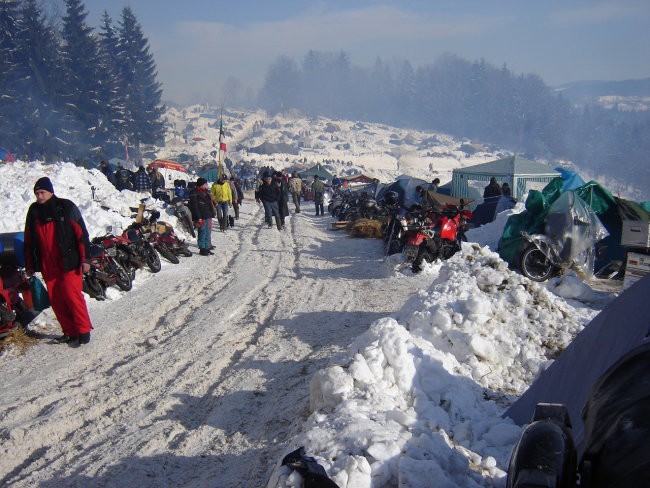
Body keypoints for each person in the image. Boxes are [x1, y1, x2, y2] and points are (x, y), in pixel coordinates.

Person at [23, 177, 93, 347]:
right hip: (48, 264)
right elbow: (29, 240)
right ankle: (69, 332)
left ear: (51, 191)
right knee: (57, 300)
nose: (39, 196)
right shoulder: (34, 211)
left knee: (72, 296)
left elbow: (81, 234)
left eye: (42, 192)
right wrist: (30, 264)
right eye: (37, 193)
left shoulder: (65, 206)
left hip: (69, 261)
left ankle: (83, 330)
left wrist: (86, 259)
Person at [189, 177, 216, 255]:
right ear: (201, 185)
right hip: (201, 215)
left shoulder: (206, 192)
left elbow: (210, 203)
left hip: (207, 214)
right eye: (205, 184)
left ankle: (207, 247)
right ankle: (202, 248)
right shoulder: (194, 193)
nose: (207, 185)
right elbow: (194, 207)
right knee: (202, 232)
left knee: (208, 232)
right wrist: (198, 217)